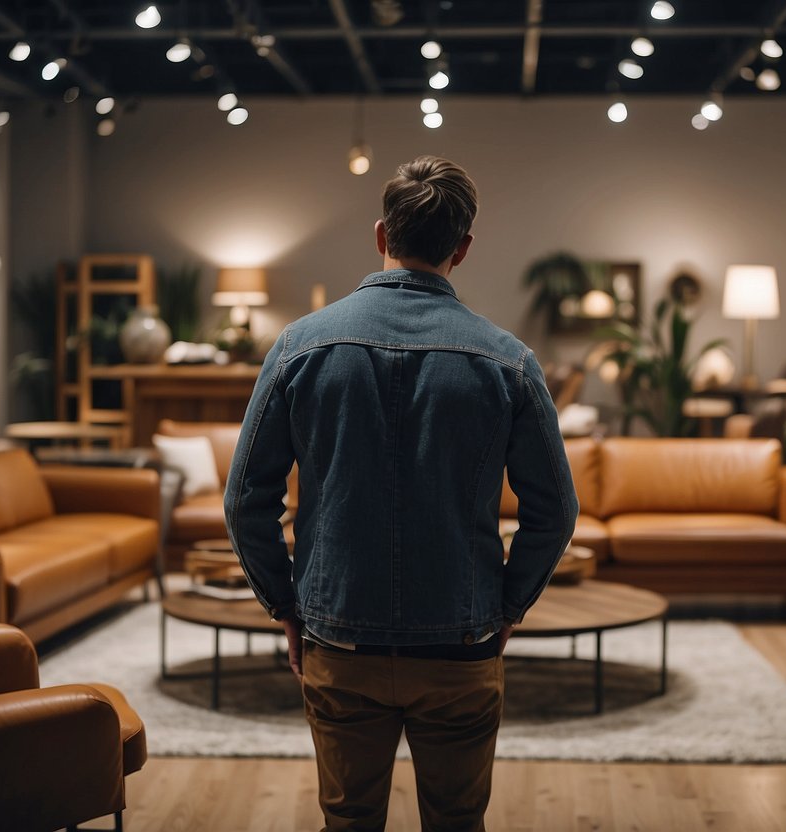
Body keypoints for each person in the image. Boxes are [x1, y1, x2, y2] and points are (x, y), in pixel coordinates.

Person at [224, 155, 578, 831]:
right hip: (461, 643)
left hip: (338, 638)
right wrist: (508, 606)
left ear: (381, 234)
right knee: (457, 822)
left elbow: (244, 502)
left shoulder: (300, 347)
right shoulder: (508, 360)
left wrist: (284, 605)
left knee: (348, 821)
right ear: (462, 248)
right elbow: (555, 512)